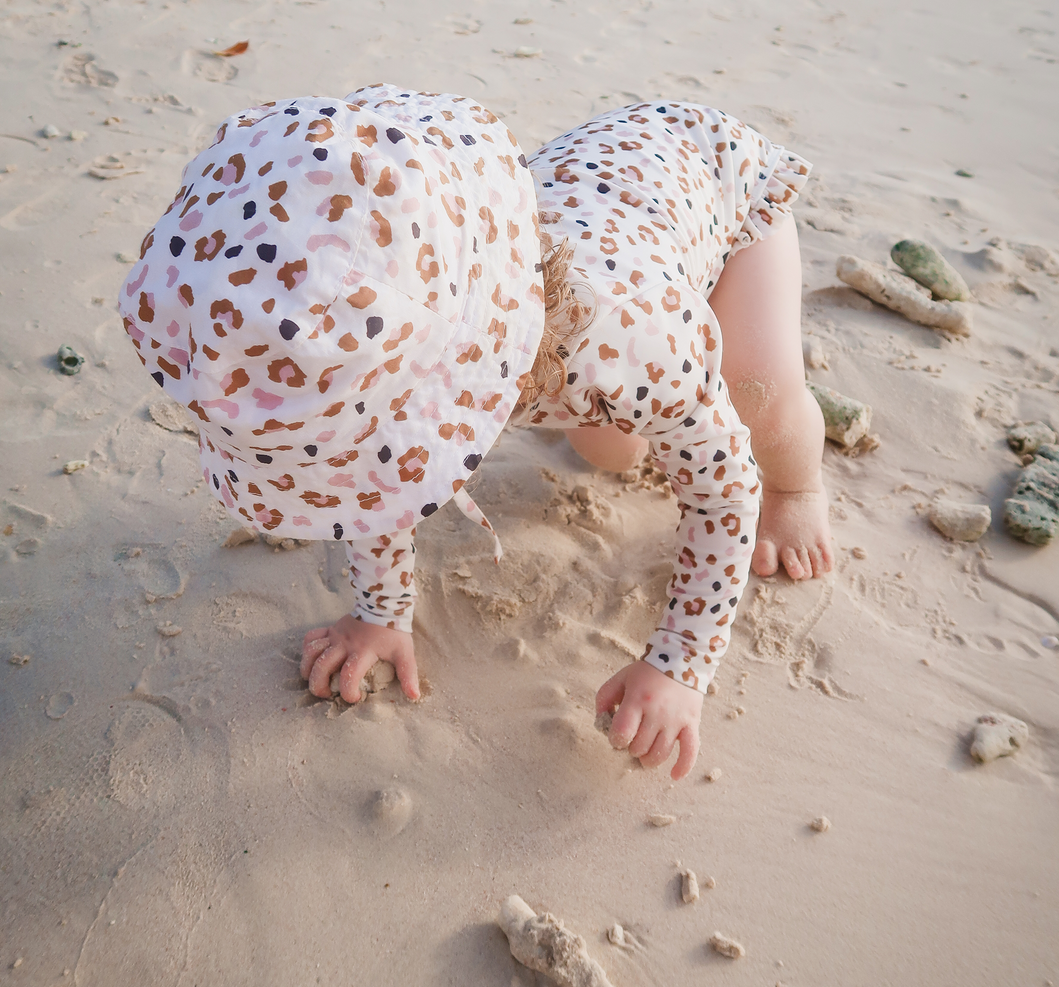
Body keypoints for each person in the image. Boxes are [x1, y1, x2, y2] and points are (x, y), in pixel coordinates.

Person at [118, 84, 831, 782]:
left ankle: (803, 488)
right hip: (612, 213)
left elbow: (723, 486)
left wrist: (681, 661)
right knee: (608, 450)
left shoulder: (633, 343)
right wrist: (380, 613)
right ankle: (634, 422)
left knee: (758, 400)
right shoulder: (398, 334)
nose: (367, 457)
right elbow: (373, 476)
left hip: (719, 186)